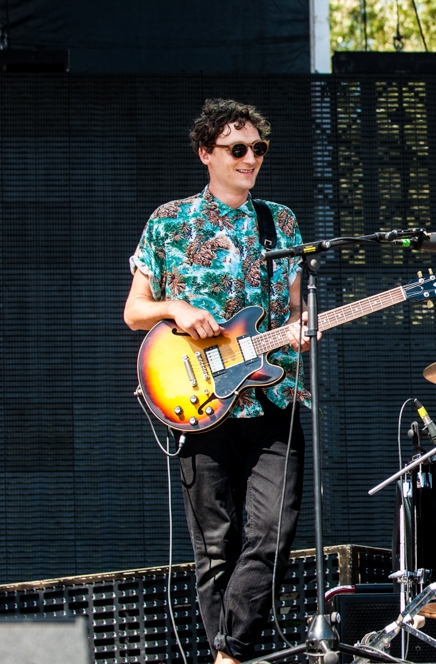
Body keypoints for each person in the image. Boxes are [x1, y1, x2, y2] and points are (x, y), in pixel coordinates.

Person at [124, 99, 310, 664]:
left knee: (274, 531)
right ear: (207, 154)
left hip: (271, 394)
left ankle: (231, 651)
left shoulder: (281, 221)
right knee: (214, 542)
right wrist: (176, 308)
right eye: (237, 149)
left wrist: (302, 330)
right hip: (197, 396)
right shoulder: (169, 221)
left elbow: (296, 308)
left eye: (258, 149)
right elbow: (135, 312)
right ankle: (229, 653)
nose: (250, 158)